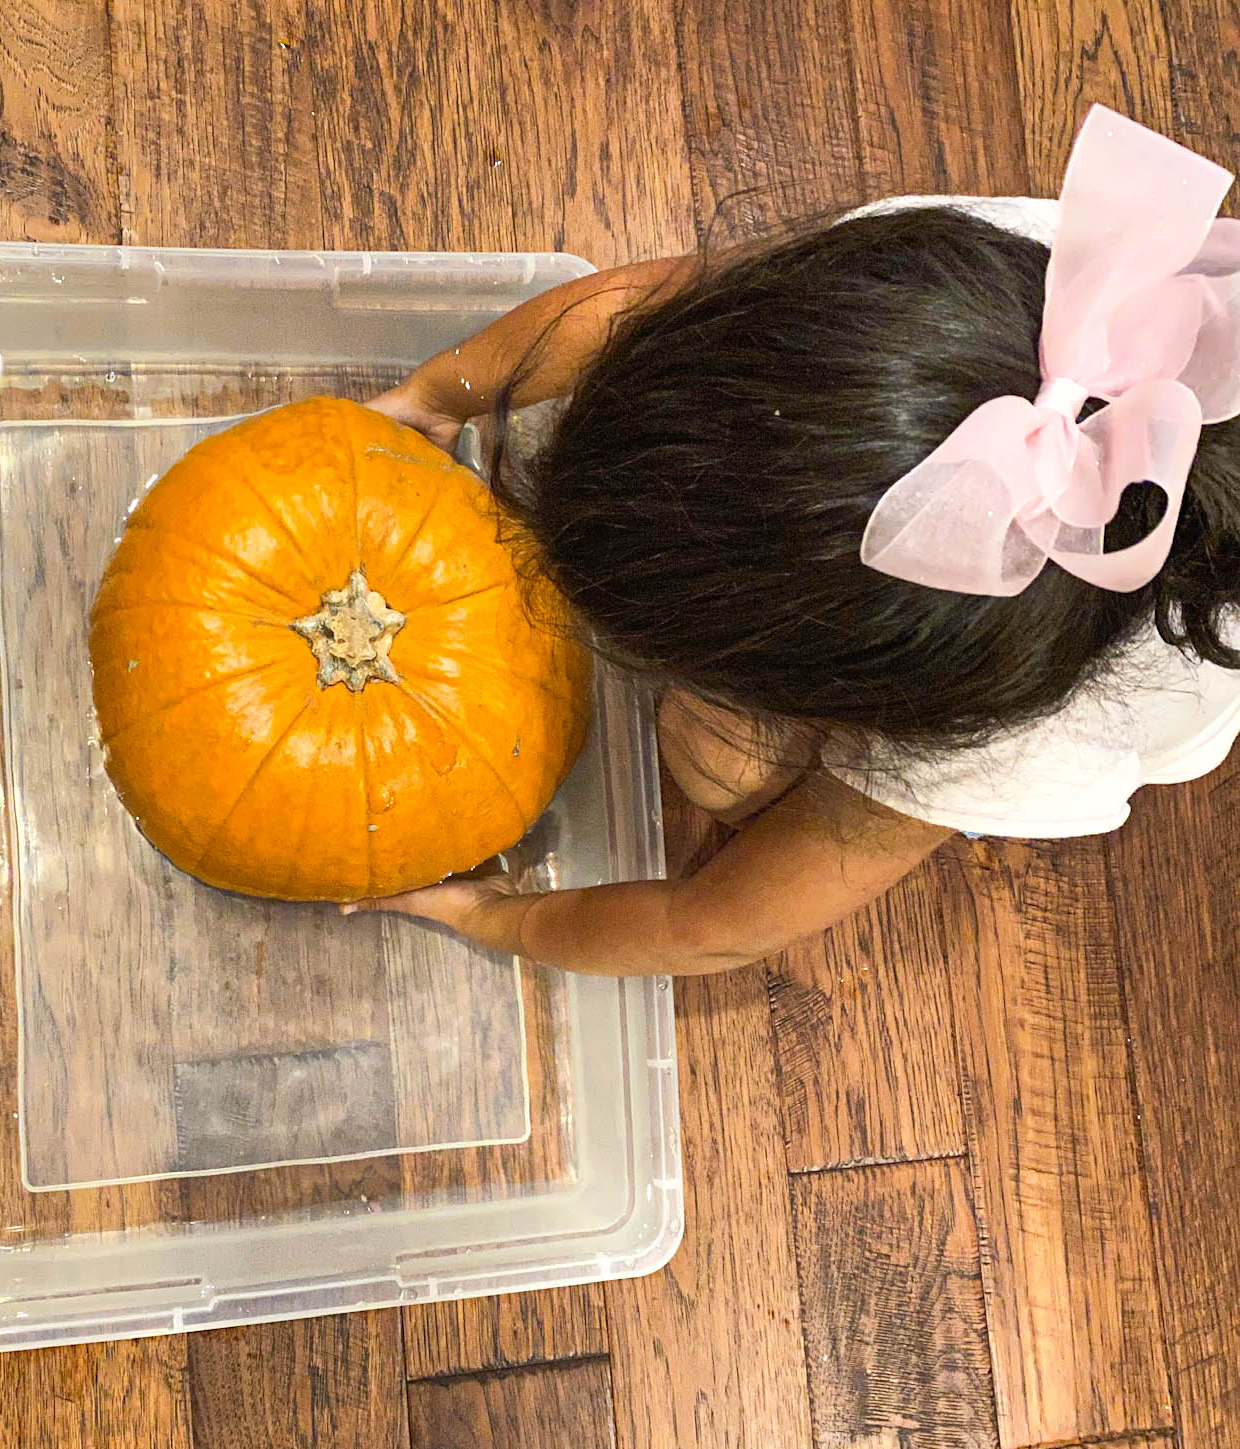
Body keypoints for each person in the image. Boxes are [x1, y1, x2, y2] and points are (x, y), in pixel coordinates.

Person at [344, 106, 1240, 977]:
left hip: (1105, 681)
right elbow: (656, 299)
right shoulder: (926, 293)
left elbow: (710, 926)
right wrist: (438, 394)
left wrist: (498, 916)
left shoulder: (998, 743)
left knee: (719, 768)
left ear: (854, 700)